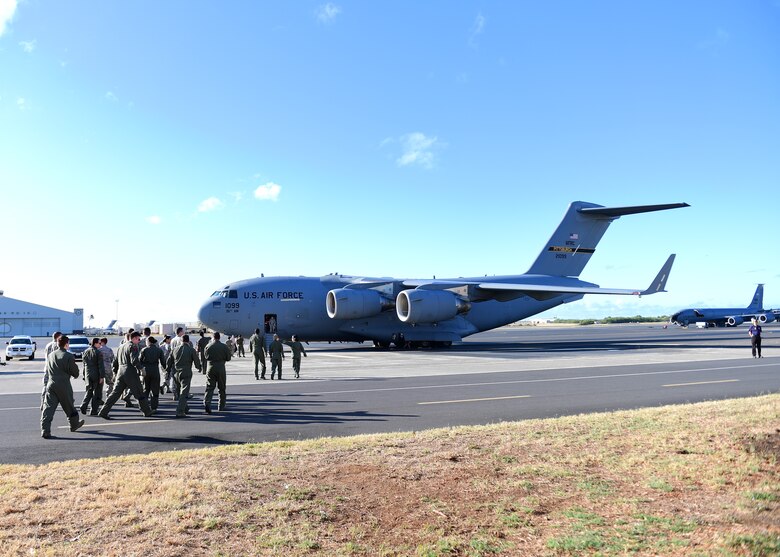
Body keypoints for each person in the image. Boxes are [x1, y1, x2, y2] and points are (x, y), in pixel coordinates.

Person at [98, 331, 153, 419]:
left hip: (121, 372)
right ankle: (147, 411)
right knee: (139, 392)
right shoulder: (132, 346)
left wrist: (115, 373)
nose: (139, 341)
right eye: (138, 339)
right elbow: (134, 360)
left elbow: (115, 362)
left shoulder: (121, 347)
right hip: (130, 372)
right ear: (134, 338)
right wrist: (141, 368)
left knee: (115, 393)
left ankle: (104, 411)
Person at [40, 335, 85, 438]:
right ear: (66, 344)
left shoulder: (51, 355)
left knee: (48, 408)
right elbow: (75, 373)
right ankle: (74, 424)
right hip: (63, 384)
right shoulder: (68, 356)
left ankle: (45, 430)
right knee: (69, 406)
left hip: (51, 384)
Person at [166, 334, 201, 417]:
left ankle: (185, 407)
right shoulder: (191, 350)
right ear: (188, 341)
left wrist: (167, 371)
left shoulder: (174, 349)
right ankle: (180, 411)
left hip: (176, 373)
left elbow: (169, 361)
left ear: (181, 341)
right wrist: (199, 367)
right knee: (184, 393)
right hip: (186, 372)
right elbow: (196, 361)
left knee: (179, 392)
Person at [203, 332, 232, 414]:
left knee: (209, 387)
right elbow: (228, 358)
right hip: (220, 367)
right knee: (221, 388)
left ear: (213, 337)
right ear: (219, 338)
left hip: (210, 367)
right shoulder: (224, 346)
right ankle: (221, 406)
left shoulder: (208, 346)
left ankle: (207, 402)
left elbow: (205, 357)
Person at [79, 337, 106, 415]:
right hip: (96, 374)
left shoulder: (85, 352)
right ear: (95, 343)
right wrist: (102, 376)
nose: (100, 345)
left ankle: (84, 405)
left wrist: (84, 375)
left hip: (88, 374)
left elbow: (84, 364)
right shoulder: (98, 352)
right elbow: (100, 366)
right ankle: (93, 410)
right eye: (99, 343)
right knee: (97, 393)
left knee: (89, 391)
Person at [139, 336, 166, 411]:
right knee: (155, 391)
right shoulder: (159, 350)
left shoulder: (144, 350)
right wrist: (167, 370)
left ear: (148, 342)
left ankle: (144, 406)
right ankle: (154, 407)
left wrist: (139, 370)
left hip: (146, 371)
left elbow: (139, 361)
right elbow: (163, 362)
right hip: (155, 371)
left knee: (145, 389)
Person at [41, 331, 62, 409]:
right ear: (58, 337)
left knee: (46, 386)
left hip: (47, 368)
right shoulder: (57, 345)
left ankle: (43, 402)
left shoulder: (48, 345)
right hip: (55, 370)